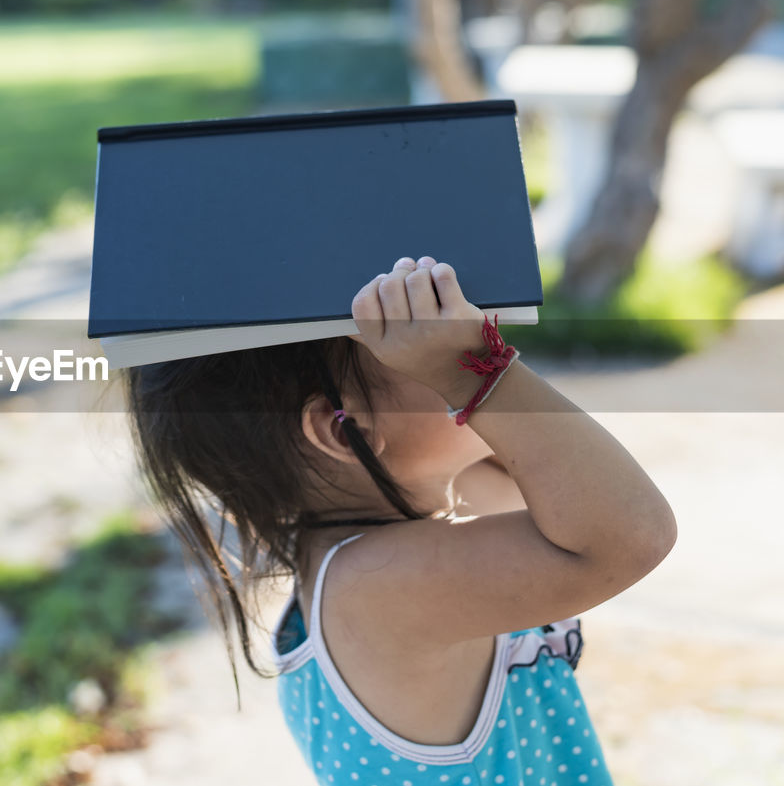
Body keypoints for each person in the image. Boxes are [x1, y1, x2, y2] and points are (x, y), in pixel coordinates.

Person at [122, 255, 677, 785]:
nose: (473, 336)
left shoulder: (433, 505)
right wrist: (475, 375)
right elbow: (630, 536)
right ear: (346, 431)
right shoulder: (371, 589)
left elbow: (561, 478)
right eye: (412, 345)